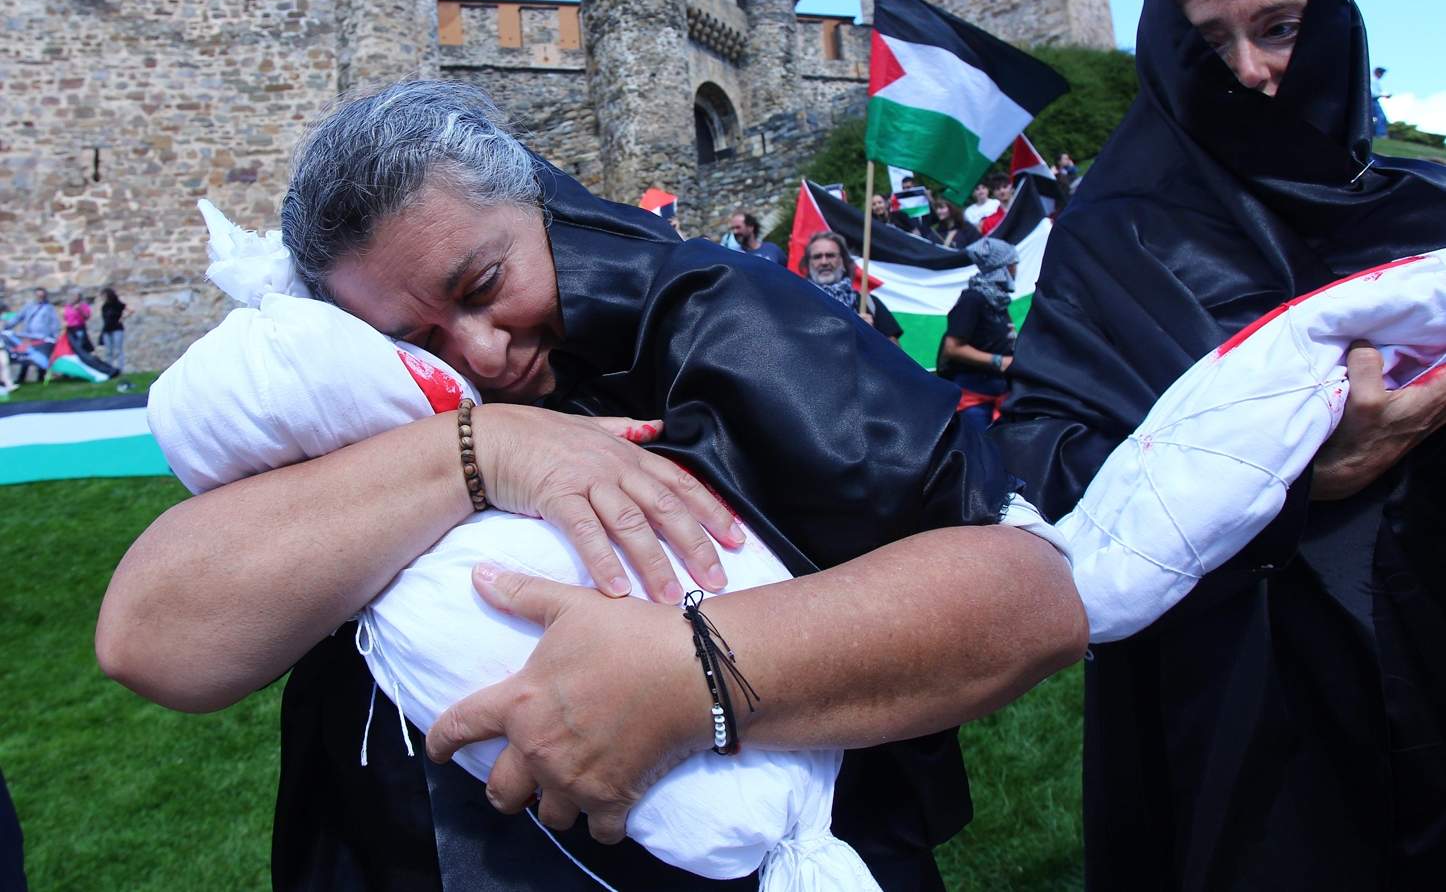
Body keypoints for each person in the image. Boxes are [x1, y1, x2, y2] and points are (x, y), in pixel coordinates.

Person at [98, 80, 1085, 891]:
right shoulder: (366, 409)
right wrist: (484, 452)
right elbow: (151, 637)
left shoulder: (730, 321)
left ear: (542, 207)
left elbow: (1031, 597)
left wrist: (698, 675)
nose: (481, 349)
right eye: (415, 340)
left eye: (484, 285)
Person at [992, 0, 1446, 891]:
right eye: (1210, 43)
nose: (1250, 69)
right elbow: (1044, 455)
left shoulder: (1426, 209)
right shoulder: (1116, 232)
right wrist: (1282, 474)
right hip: (1250, 685)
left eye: (1279, 27)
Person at [936, 238, 1018, 432]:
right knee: (980, 454)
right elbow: (952, 347)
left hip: (999, 393)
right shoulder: (972, 300)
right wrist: (1000, 361)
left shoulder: (997, 301)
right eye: (1013, 263)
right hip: (974, 401)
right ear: (1002, 266)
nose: (1016, 268)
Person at [802, 230, 903, 344]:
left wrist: (873, 335)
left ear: (843, 261)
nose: (824, 262)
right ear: (808, 263)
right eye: (817, 257)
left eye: (830, 256)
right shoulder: (799, 305)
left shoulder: (869, 303)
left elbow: (895, 355)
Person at [11, 288, 59, 382]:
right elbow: (18, 317)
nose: (40, 297)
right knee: (26, 357)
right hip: (29, 337)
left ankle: (41, 379)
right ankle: (21, 379)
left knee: (41, 359)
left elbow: (54, 323)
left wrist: (54, 336)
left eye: (42, 296)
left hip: (42, 338)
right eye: (38, 295)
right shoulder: (28, 307)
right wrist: (7, 327)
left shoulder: (49, 308)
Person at [99, 288, 126, 371]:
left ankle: (120, 368)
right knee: (108, 351)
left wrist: (122, 318)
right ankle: (109, 369)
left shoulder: (118, 304)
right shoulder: (104, 307)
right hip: (107, 330)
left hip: (117, 328)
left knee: (118, 350)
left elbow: (129, 310)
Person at [1370, 65, 1391, 137]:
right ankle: (1380, 134)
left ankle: (1376, 133)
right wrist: (1384, 95)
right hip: (1372, 100)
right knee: (1381, 117)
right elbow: (1372, 93)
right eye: (1381, 73)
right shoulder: (1373, 80)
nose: (1382, 75)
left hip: (1374, 100)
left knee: (1375, 118)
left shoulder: (1375, 81)